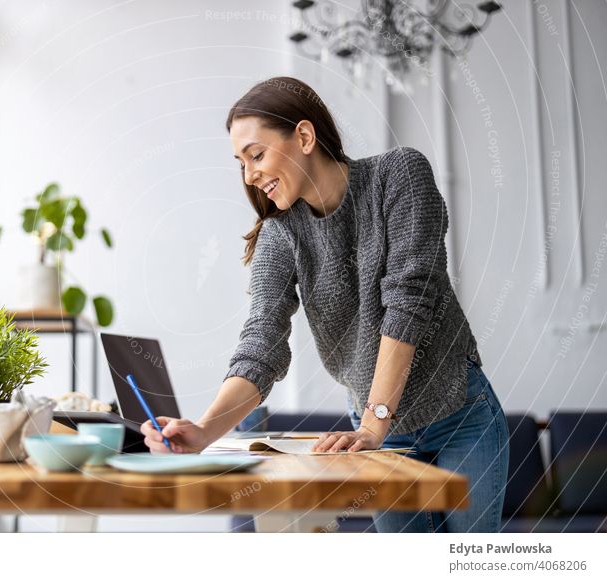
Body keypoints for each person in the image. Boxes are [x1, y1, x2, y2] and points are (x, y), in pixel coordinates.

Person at [140, 76, 509, 533]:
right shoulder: (281, 235)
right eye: (240, 162)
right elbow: (261, 343)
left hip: (459, 415)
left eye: (256, 154)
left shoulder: (399, 175)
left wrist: (375, 425)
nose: (249, 173)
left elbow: (410, 302)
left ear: (304, 136)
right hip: (376, 436)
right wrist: (202, 431)